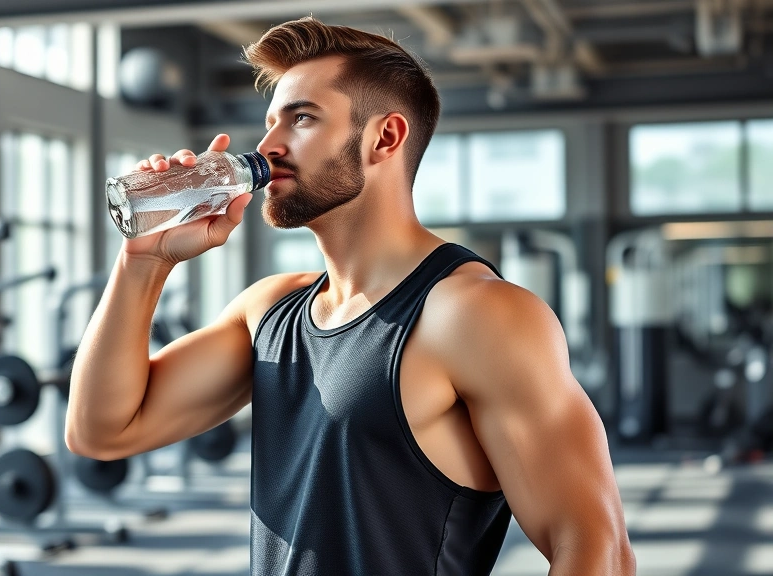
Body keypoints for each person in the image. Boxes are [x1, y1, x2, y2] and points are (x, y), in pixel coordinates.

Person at [66, 16, 635, 576]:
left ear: (384, 137)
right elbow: (101, 430)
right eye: (269, 123)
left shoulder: (477, 314)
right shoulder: (269, 309)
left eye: (303, 119)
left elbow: (596, 550)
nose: (268, 146)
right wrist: (144, 261)